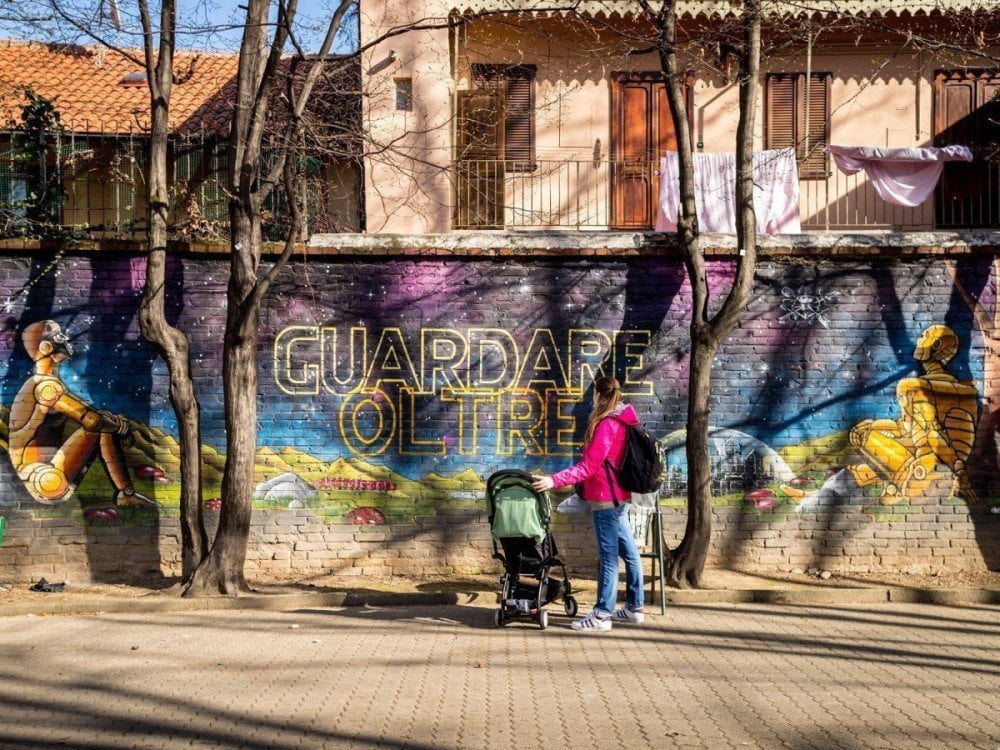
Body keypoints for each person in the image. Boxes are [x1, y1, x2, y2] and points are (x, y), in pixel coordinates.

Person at [531, 376, 643, 633]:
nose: (590, 397)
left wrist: (553, 480)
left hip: (606, 500)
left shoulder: (607, 424)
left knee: (608, 558)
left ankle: (602, 615)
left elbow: (589, 466)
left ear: (599, 395)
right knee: (629, 552)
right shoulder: (625, 420)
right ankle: (635, 608)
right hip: (620, 496)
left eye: (593, 393)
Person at [8, 320, 157, 507]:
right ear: (45, 347)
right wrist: (117, 427)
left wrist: (109, 421)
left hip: (46, 477)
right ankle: (125, 494)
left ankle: (126, 494)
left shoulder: (49, 383)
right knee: (100, 427)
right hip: (44, 480)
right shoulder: (44, 386)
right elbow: (92, 421)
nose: (64, 338)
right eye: (55, 335)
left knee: (103, 426)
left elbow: (89, 413)